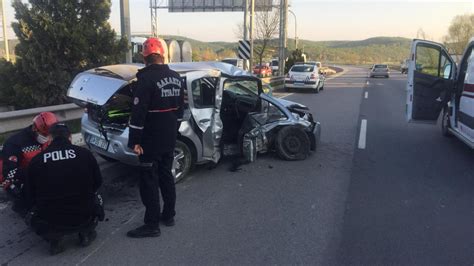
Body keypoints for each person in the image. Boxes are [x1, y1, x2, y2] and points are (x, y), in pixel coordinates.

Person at [127, 37, 184, 238]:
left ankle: (151, 224)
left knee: (149, 181)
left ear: (145, 58)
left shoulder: (145, 80)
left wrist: (134, 141)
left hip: (149, 141)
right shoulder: (177, 77)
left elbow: (138, 114)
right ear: (162, 55)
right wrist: (173, 131)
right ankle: (168, 215)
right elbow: (181, 111)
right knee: (166, 175)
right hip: (169, 138)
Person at [25, 123, 104, 255]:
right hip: (83, 214)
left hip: (50, 219)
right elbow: (98, 182)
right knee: (96, 196)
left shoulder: (36, 161)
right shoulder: (85, 154)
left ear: (49, 138)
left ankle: (54, 239)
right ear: (70, 137)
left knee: (28, 207)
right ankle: (86, 232)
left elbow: (29, 194)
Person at [1, 112, 58, 214]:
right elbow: (8, 172)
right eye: (44, 134)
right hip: (16, 177)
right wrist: (35, 173)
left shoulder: (50, 138)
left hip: (39, 173)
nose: (47, 137)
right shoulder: (15, 143)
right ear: (35, 129)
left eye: (49, 135)